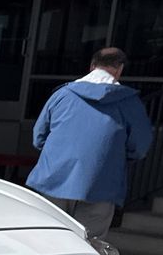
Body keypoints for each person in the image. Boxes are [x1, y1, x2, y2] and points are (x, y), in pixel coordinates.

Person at [26, 47, 153, 239]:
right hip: (101, 181)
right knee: (88, 245)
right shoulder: (129, 102)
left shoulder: (63, 95)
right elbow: (140, 146)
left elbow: (39, 137)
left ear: (92, 66)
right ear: (119, 69)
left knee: (46, 239)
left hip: (54, 177)